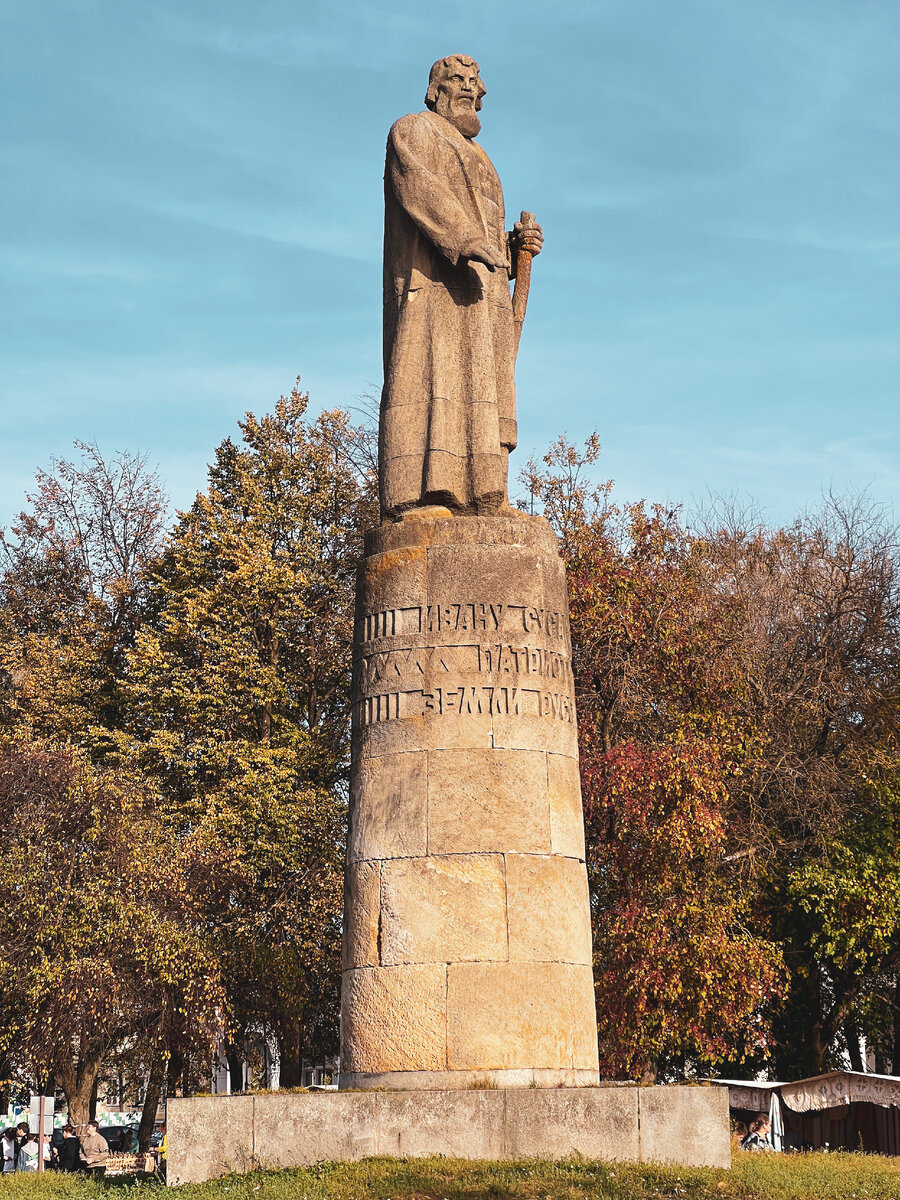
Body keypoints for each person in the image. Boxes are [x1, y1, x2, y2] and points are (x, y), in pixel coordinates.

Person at [379, 54, 543, 520]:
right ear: (436, 89)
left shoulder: (482, 159)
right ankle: (425, 498)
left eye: (476, 81)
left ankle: (487, 496)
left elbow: (491, 244)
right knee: (434, 379)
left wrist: (514, 250)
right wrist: (466, 238)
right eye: (460, 80)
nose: (474, 89)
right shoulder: (413, 130)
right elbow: (418, 186)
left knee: (481, 391)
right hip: (434, 288)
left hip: (481, 296)